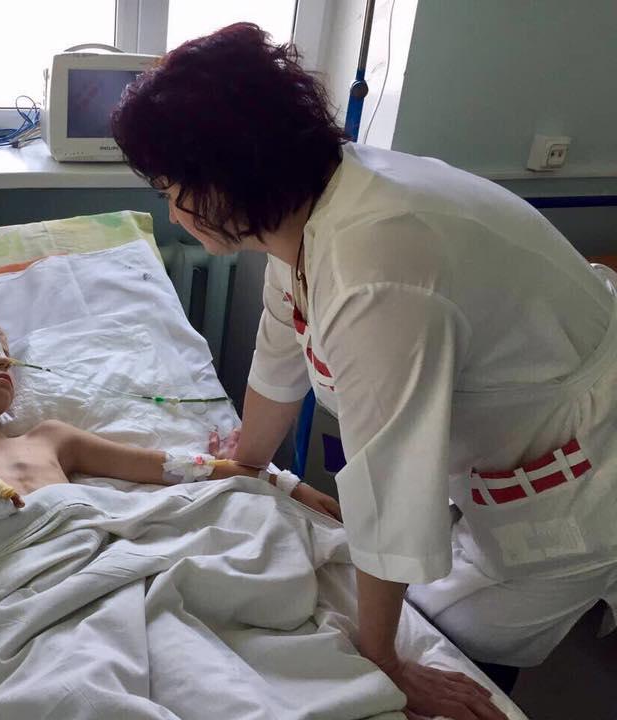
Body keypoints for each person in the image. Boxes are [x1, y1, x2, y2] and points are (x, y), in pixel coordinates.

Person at [111, 22, 617, 720]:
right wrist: (248, 463)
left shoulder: (375, 268)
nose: (171, 212)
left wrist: (385, 662)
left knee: (465, 634)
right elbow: (280, 351)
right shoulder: (308, 211)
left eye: (174, 188)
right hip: (506, 440)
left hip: (586, 472)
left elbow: (392, 479)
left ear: (231, 177)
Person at [0, 315, 340, 580]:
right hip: (13, 590)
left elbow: (171, 468)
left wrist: (281, 482)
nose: (2, 360)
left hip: (98, 566)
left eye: (5, 354)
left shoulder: (50, 438)